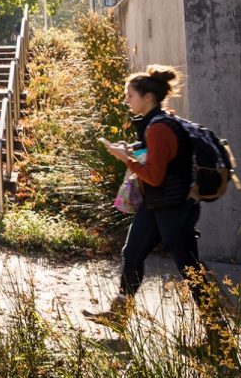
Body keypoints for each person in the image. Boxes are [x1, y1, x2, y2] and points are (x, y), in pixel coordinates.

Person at [85, 66, 219, 332]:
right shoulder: (157, 122)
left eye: (130, 95)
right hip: (156, 204)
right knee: (132, 253)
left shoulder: (159, 127)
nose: (126, 100)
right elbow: (157, 162)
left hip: (175, 207)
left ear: (148, 97)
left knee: (189, 268)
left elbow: (155, 176)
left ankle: (218, 332)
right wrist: (131, 152)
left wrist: (126, 159)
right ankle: (119, 315)